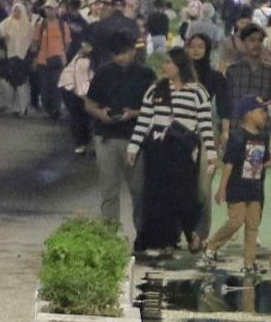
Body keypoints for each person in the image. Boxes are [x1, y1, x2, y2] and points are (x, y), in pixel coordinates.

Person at [128, 47, 216, 257]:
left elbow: (205, 124)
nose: (165, 67)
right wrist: (134, 146)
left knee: (186, 195)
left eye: (169, 63)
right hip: (158, 149)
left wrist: (211, 153)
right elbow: (145, 121)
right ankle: (163, 241)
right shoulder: (156, 89)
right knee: (158, 196)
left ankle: (193, 234)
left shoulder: (197, 92)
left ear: (180, 66)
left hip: (183, 151)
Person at [201, 95, 271, 275]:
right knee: (236, 221)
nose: (265, 115)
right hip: (237, 187)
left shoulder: (263, 136)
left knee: (253, 225)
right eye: (261, 111)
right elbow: (229, 163)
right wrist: (222, 188)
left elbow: (263, 162)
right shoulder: (237, 136)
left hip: (255, 188)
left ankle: (249, 262)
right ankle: (211, 245)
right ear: (248, 114)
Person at [85, 33, 155, 236]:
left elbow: (156, 108)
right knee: (109, 191)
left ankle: (143, 236)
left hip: (135, 138)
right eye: (116, 54)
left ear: (133, 50)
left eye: (124, 53)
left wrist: (133, 113)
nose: (120, 58)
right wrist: (100, 113)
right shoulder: (103, 72)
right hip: (106, 137)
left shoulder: (146, 74)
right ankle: (109, 236)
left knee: (139, 191)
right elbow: (89, 103)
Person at [185, 32, 231, 241]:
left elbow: (224, 107)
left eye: (200, 46)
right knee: (183, 184)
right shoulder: (178, 76)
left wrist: (225, 131)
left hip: (207, 134)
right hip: (180, 135)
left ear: (207, 50)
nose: (195, 50)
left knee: (203, 186)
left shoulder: (215, 78)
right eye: (192, 45)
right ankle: (181, 230)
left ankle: (201, 233)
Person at [225, 24, 271, 150]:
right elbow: (226, 104)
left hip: (260, 132)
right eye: (252, 40)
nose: (256, 44)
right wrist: (223, 131)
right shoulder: (232, 71)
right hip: (236, 130)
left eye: (260, 40)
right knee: (232, 168)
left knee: (257, 168)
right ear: (243, 43)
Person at [31, 0, 71, 118]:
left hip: (58, 61)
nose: (49, 11)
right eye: (47, 8)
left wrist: (62, 54)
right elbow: (35, 42)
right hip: (43, 60)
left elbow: (67, 43)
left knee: (56, 87)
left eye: (52, 8)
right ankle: (49, 109)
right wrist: (34, 58)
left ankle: (55, 110)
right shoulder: (40, 25)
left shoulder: (63, 25)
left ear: (57, 10)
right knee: (44, 87)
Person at [0, 2, 34, 115]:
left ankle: (23, 107)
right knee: (10, 82)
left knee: (21, 83)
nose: (15, 13)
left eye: (18, 11)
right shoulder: (6, 23)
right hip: (8, 56)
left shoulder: (28, 26)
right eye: (14, 10)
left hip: (23, 58)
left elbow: (31, 44)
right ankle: (14, 107)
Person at [58, 39, 94, 153]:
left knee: (84, 117)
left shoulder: (88, 58)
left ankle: (85, 142)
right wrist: (85, 98)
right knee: (80, 116)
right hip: (72, 88)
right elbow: (81, 84)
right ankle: (82, 143)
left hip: (80, 88)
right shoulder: (82, 61)